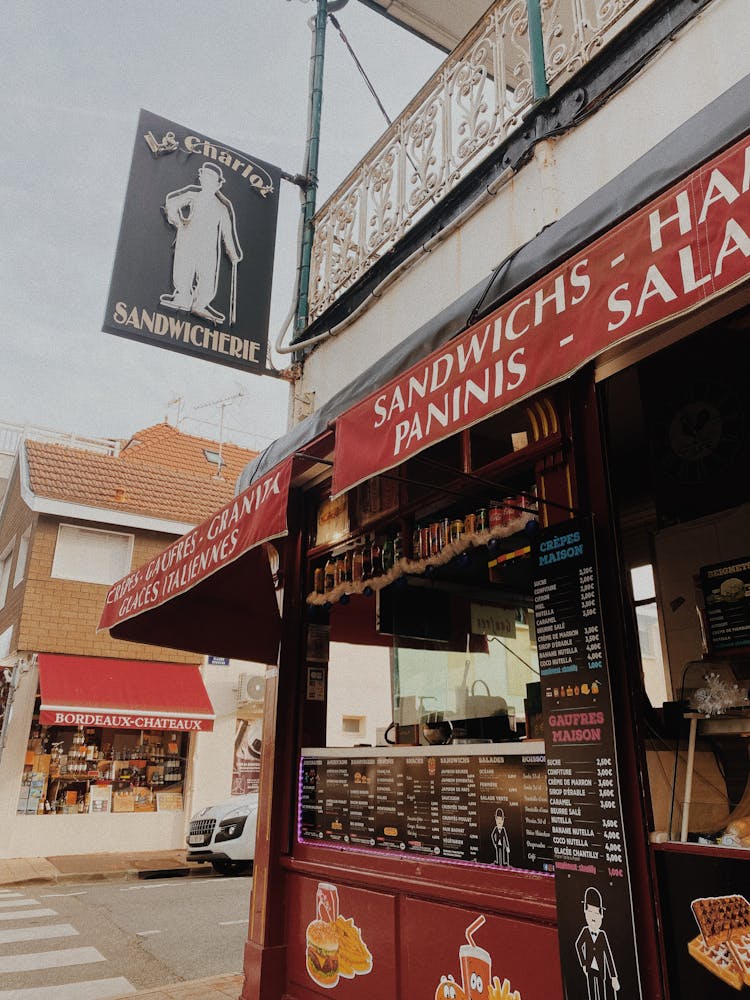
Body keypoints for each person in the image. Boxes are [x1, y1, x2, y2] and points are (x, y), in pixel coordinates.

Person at [160, 163, 243, 325]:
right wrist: (177, 220)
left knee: (207, 275)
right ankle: (182, 296)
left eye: (211, 180)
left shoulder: (221, 208)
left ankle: (201, 304)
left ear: (218, 184)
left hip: (208, 247)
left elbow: (227, 232)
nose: (207, 182)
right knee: (184, 268)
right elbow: (171, 203)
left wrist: (233, 253)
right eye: (204, 178)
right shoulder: (193, 196)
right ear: (202, 181)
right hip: (188, 240)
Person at [575, 887, 620, 1000]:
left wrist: (613, 977)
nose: (593, 916)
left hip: (600, 970)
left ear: (601, 915)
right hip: (589, 968)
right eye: (590, 912)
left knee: (601, 993)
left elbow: (608, 956)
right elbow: (578, 945)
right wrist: (584, 963)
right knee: (591, 993)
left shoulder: (602, 935)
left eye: (596, 912)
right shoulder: (585, 931)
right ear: (585, 912)